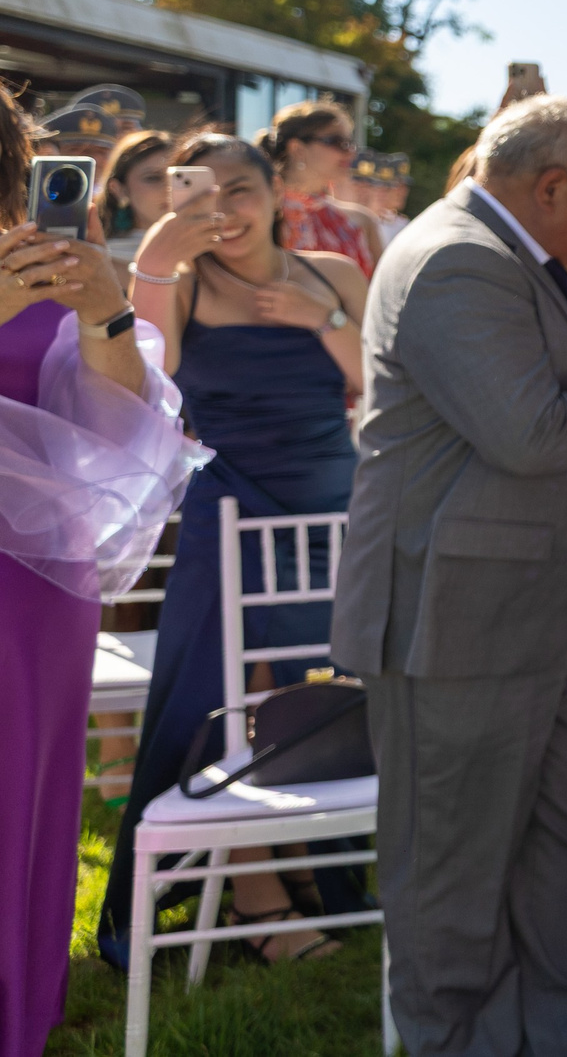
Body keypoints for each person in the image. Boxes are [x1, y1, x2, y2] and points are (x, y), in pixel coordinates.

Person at [331, 97, 567, 1057]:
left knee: (554, 850)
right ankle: (456, 1040)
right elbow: (530, 430)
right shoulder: (455, 257)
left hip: (530, 614)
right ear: (550, 187)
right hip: (455, 625)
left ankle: (559, 1031)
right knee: (452, 878)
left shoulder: (506, 253)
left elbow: (551, 407)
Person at [101, 132, 371, 965]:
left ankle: (302, 855)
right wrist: (154, 262)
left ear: (276, 194)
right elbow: (150, 380)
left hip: (330, 506)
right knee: (223, 694)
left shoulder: (337, 271)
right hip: (230, 506)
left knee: (312, 688)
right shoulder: (178, 283)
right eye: (202, 191)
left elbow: (379, 378)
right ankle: (253, 893)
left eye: (240, 189)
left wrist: (319, 317)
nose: (222, 209)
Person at [0, 95, 190, 1057]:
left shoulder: (34, 259)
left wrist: (105, 308)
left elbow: (117, 432)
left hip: (31, 586)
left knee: (18, 800)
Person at [260, 99, 382, 275]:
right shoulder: (262, 215)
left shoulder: (362, 221)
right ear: (297, 149)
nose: (350, 152)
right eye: (337, 141)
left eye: (350, 143)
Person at [99, 129, 175, 275]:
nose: (169, 188)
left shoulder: (214, 254)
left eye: (179, 177)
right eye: (153, 178)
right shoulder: (94, 260)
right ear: (119, 189)